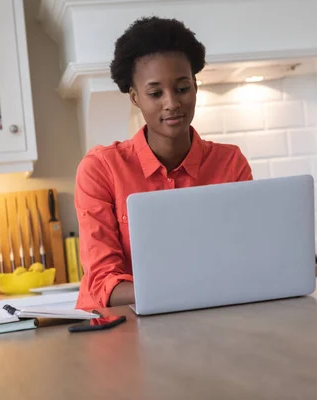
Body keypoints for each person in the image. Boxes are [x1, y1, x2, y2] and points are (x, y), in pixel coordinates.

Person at [74, 16, 253, 309]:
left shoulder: (230, 163)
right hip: (118, 330)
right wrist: (190, 289)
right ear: (135, 98)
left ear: (195, 86)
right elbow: (103, 283)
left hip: (205, 324)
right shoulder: (100, 169)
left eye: (182, 88)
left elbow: (245, 257)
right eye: (155, 93)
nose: (172, 103)